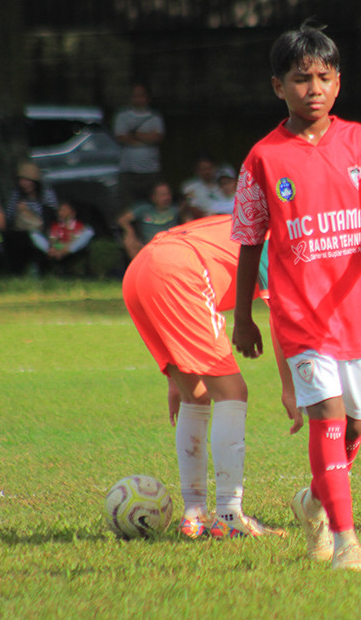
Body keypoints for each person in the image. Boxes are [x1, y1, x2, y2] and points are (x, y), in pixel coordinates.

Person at [230, 23, 361, 572]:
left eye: (324, 77)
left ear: (339, 84)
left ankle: (313, 502)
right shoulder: (263, 158)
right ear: (277, 87)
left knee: (354, 426)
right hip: (301, 316)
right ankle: (346, 539)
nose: (313, 87)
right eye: (300, 78)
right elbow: (248, 240)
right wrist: (243, 317)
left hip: (358, 310)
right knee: (328, 417)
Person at [123, 215, 294, 540]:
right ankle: (230, 514)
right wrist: (290, 388)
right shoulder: (280, 236)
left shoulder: (246, 218)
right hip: (180, 270)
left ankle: (195, 515)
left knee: (197, 394)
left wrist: (175, 378)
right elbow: (282, 316)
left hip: (141, 268)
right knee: (232, 392)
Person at [113, 82, 165, 209]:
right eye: (135, 96)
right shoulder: (122, 116)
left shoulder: (155, 117)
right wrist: (146, 138)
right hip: (128, 171)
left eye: (141, 95)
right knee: (127, 206)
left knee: (153, 206)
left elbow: (158, 137)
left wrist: (135, 135)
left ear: (147, 98)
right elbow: (121, 137)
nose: (138, 99)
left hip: (151, 171)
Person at [3, 161, 58, 276]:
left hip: (43, 230)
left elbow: (52, 215)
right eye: (22, 180)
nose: (24, 184)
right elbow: (9, 216)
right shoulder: (16, 195)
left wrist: (30, 212)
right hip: (22, 232)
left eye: (28, 181)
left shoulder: (46, 194)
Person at [118, 182, 181, 260]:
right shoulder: (144, 209)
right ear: (153, 197)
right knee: (128, 240)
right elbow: (122, 219)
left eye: (168, 194)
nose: (166, 197)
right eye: (162, 195)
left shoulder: (176, 209)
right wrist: (130, 232)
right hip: (148, 247)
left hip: (172, 245)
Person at [46, 200, 95, 276]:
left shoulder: (78, 226)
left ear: (72, 213)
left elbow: (75, 240)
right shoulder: (56, 227)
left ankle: (61, 253)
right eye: (60, 210)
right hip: (59, 247)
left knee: (88, 232)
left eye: (64, 210)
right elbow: (53, 240)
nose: (61, 213)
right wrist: (55, 247)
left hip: (71, 248)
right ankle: (57, 254)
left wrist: (63, 249)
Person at [181, 154, 230, 218]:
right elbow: (193, 209)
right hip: (205, 220)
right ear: (197, 170)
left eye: (209, 168)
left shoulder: (223, 183)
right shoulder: (190, 187)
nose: (207, 172)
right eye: (203, 169)